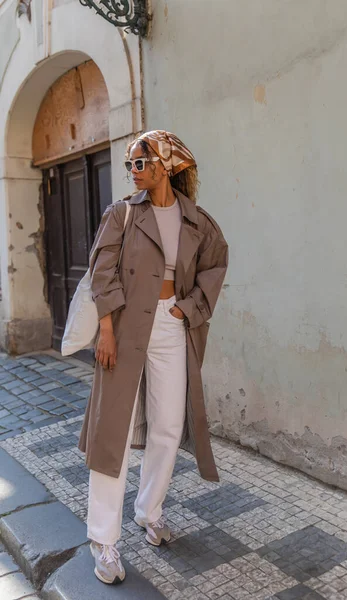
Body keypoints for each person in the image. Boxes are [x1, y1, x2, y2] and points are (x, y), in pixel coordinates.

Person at [78, 130, 229, 584]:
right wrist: (105, 329)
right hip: (124, 326)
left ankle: (149, 511)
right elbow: (101, 271)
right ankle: (103, 539)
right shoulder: (122, 214)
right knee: (115, 430)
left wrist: (188, 308)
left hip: (172, 325)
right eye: (130, 165)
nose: (133, 172)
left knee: (167, 424)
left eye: (140, 163)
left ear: (167, 164)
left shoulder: (197, 220)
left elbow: (216, 264)